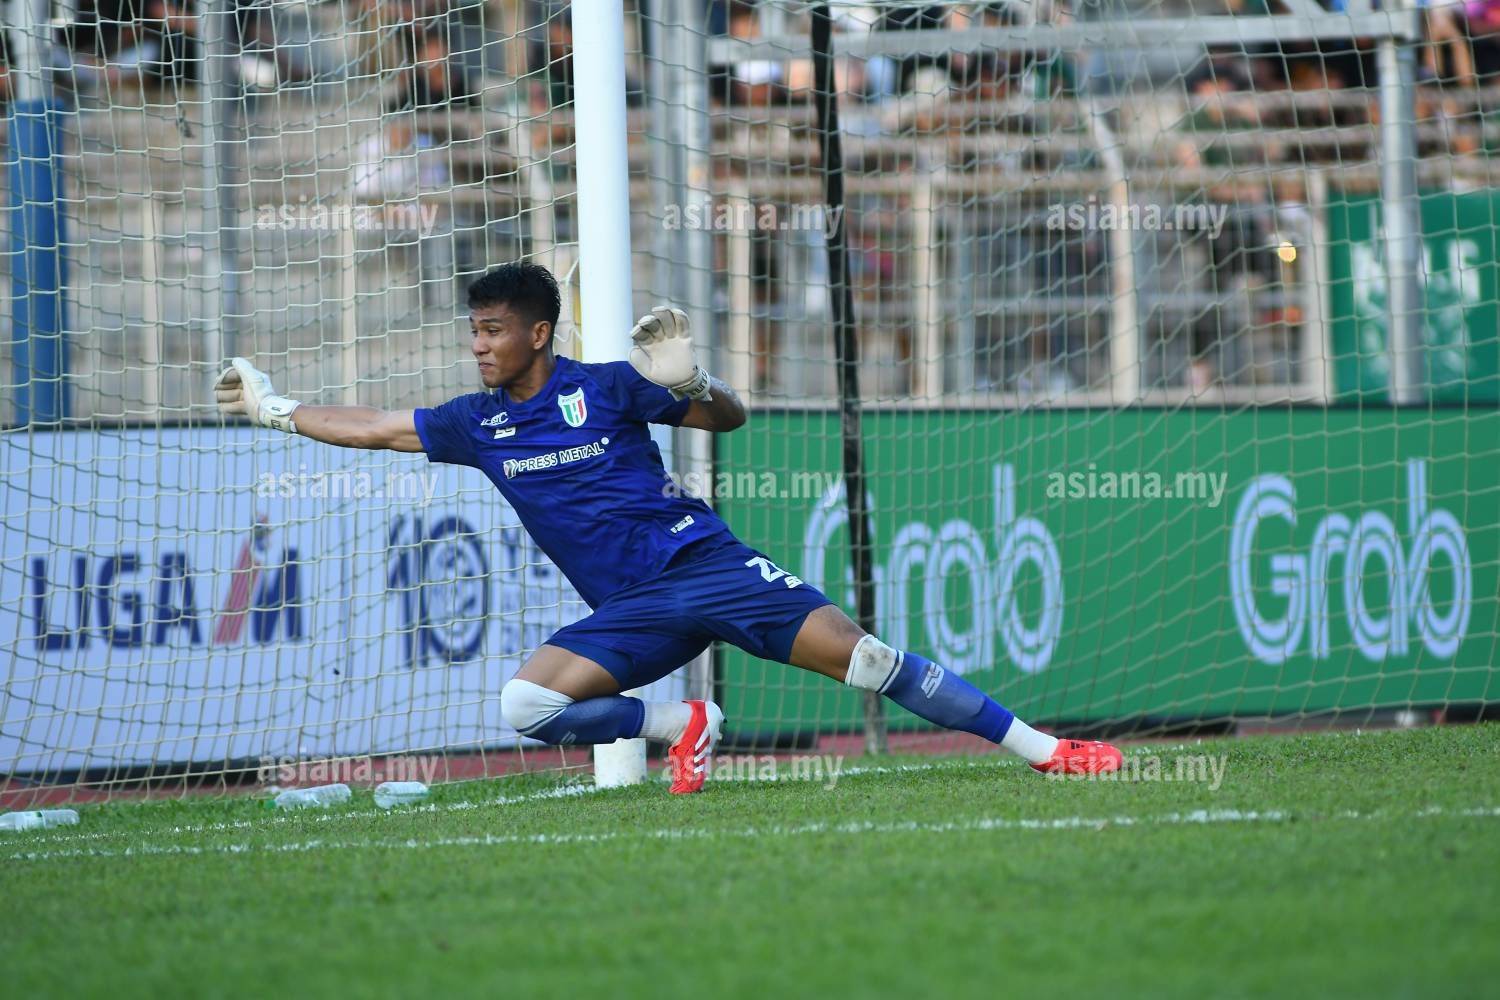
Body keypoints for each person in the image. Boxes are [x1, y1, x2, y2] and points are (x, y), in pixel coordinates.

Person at [214, 262, 1122, 793]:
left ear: (539, 334)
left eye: (492, 331)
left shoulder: (608, 387)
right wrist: (274, 409)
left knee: (870, 660)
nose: (478, 345)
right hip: (633, 609)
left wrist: (692, 381)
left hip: (706, 566)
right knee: (526, 707)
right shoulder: (475, 422)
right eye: (474, 331)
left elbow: (728, 420)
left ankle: (1049, 751)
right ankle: (682, 721)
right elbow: (376, 427)